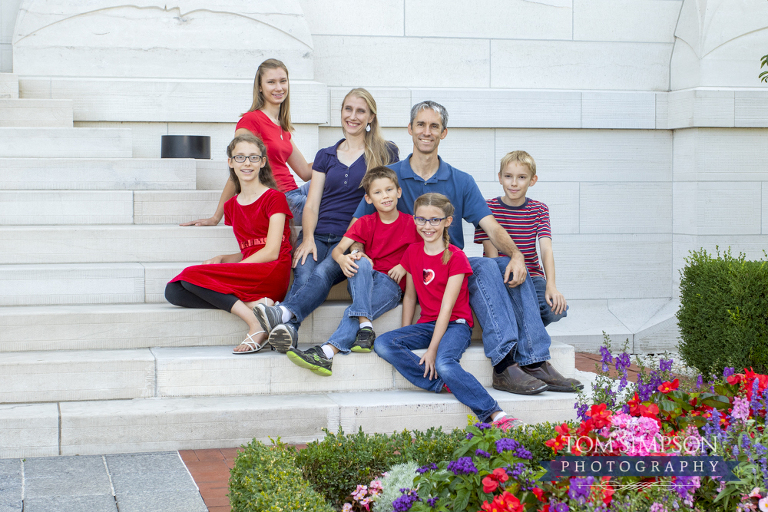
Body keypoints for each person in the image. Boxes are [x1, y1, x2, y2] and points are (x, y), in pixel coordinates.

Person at [351, 100, 582, 395]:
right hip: (417, 269)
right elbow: (359, 224)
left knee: (509, 263)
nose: (427, 132)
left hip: (453, 264)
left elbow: (491, 226)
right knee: (487, 264)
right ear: (410, 129)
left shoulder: (460, 180)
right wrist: (360, 255)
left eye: (434, 126)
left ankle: (536, 360)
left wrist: (516, 255)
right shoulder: (389, 178)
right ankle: (503, 365)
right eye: (421, 125)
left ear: (443, 133)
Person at [252, 89, 399, 352]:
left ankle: (283, 313)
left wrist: (355, 242)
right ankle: (289, 329)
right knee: (304, 269)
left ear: (371, 117)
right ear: (341, 113)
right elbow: (311, 203)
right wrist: (308, 238)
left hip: (352, 239)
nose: (352, 116)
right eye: (348, 109)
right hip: (320, 233)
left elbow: (385, 200)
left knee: (321, 273)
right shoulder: (325, 155)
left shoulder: (384, 152)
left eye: (360, 111)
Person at [374, 193, 509, 424]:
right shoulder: (413, 252)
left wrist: (433, 349)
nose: (427, 226)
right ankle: (441, 382)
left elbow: (447, 309)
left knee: (444, 363)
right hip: (428, 324)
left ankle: (495, 414)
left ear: (448, 221)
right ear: (414, 219)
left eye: (435, 220)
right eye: (421, 219)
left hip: (456, 325)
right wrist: (405, 332)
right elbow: (409, 297)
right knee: (383, 343)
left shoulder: (456, 257)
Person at [165, 133, 293, 354]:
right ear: (230, 162)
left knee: (190, 275)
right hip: (251, 267)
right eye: (240, 157)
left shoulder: (274, 198)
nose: (247, 163)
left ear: (262, 162)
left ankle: (255, 323)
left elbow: (271, 250)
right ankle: (256, 306)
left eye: (253, 157)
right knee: (174, 291)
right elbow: (250, 248)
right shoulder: (232, 206)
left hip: (272, 269)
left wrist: (234, 268)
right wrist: (226, 259)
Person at [285, 166, 418, 376]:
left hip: (390, 285)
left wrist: (405, 265)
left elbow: (424, 254)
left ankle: (327, 352)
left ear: (398, 192)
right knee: (359, 259)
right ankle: (365, 326)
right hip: (364, 279)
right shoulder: (365, 222)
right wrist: (343, 258)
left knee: (354, 310)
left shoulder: (412, 224)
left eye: (389, 190)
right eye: (377, 192)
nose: (385, 196)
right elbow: (338, 249)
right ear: (368, 199)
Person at [182, 58, 313, 227]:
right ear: (260, 87)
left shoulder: (282, 126)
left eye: (283, 81)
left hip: (295, 192)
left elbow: (305, 171)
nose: (279, 88)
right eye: (271, 82)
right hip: (280, 200)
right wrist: (216, 217)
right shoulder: (251, 121)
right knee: (335, 207)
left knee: (341, 187)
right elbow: (239, 167)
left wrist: (342, 154)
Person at [474, 150, 567, 327]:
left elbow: (546, 249)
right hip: (502, 277)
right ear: (500, 178)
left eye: (522, 177)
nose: (514, 183)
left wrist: (551, 285)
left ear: (532, 180)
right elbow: (492, 255)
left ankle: (522, 329)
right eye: (508, 176)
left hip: (533, 276)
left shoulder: (539, 210)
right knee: (509, 309)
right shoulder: (487, 207)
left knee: (556, 310)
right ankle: (525, 331)